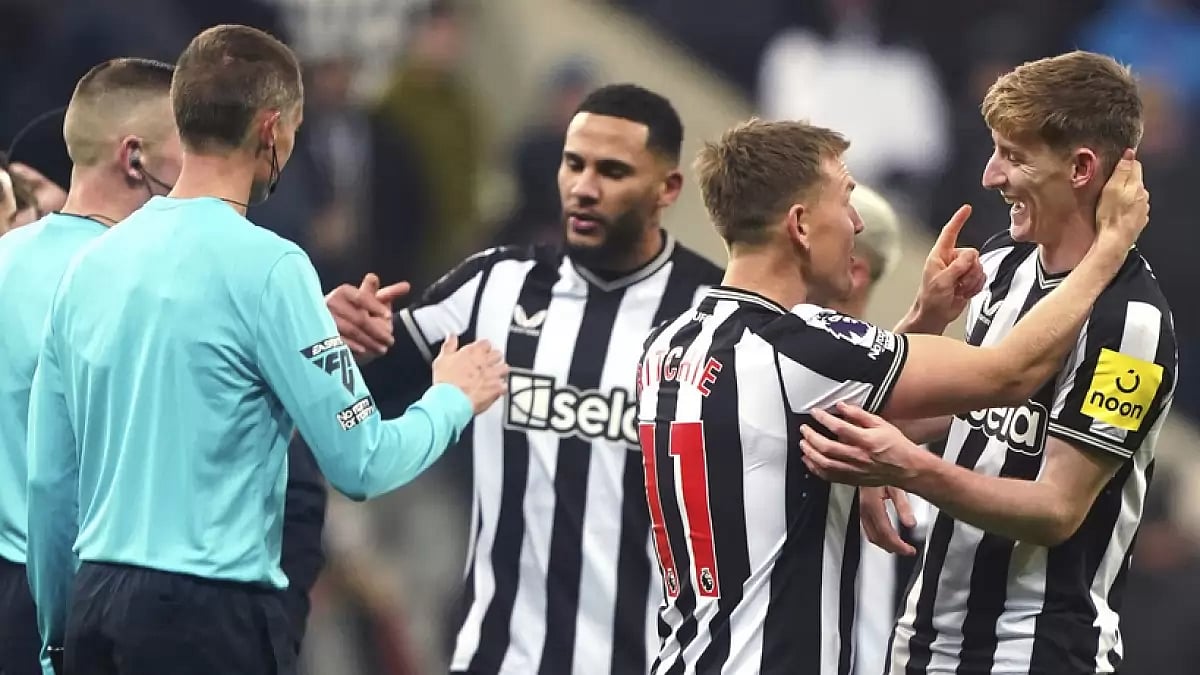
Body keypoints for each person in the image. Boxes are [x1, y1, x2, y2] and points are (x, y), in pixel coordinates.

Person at [24, 25, 507, 675]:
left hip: (95, 607)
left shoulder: (90, 266)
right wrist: (452, 395)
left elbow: (51, 482)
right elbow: (362, 462)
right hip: (207, 614)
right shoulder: (273, 268)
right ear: (272, 128)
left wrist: (54, 637)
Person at [635, 117, 1148, 674]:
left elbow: (842, 397)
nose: (856, 223)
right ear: (801, 225)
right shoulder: (800, 347)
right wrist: (1109, 249)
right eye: (846, 200)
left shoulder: (667, 343)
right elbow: (1010, 372)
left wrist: (927, 318)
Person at [799, 51, 1177, 675]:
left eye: (1014, 155)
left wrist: (909, 468)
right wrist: (925, 319)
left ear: (1082, 168)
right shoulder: (1000, 266)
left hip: (1038, 654)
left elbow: (1057, 509)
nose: (990, 175)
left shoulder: (1132, 322)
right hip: (923, 641)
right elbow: (939, 412)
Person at [326, 83, 725, 674]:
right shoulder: (492, 286)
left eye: (612, 171)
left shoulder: (717, 318)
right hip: (496, 656)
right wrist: (335, 336)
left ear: (667, 189)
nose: (584, 187)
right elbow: (354, 389)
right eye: (575, 164)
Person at [0, 57, 182, 675]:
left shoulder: (3, 265)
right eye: (187, 147)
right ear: (135, 158)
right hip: (93, 605)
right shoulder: (147, 287)